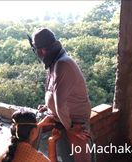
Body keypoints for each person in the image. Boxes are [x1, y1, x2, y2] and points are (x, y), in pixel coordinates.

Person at [29, 28, 93, 162]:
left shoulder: (62, 64)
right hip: (64, 118)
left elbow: (60, 104)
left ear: (43, 50)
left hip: (74, 122)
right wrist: (48, 106)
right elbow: (55, 93)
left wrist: (71, 129)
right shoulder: (55, 62)